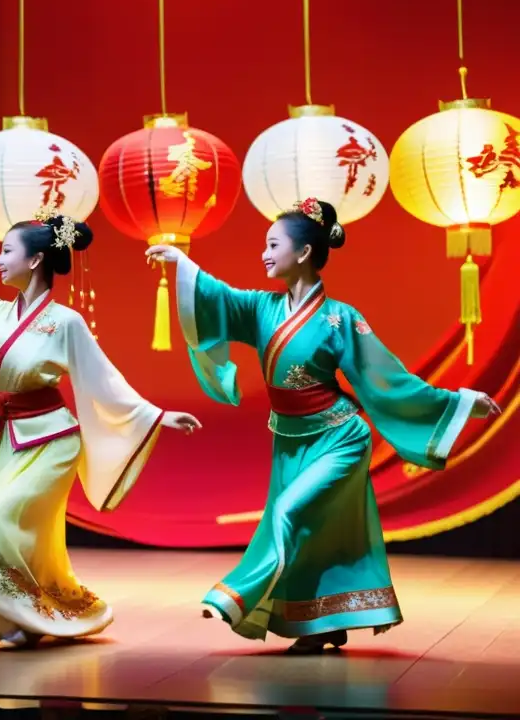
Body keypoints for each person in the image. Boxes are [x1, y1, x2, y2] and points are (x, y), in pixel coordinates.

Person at [147, 196, 500, 654]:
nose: (264, 254)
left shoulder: (341, 318)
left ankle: (235, 595)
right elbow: (218, 298)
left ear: (304, 252)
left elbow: (389, 380)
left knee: (287, 513)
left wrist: (461, 402)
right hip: (290, 440)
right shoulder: (261, 308)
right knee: (313, 535)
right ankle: (323, 623)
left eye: (274, 244)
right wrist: (182, 263)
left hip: (340, 437)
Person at [0, 210, 202, 650]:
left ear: (34, 261)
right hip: (8, 439)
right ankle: (29, 613)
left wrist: (156, 415)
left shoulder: (66, 322)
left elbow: (103, 378)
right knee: (20, 532)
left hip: (53, 441)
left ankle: (16, 616)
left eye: (7, 251)